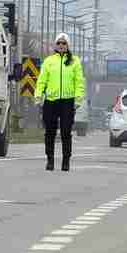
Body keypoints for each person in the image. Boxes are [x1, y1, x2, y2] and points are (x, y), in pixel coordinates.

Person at [34, 32, 86, 171]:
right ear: (55, 45)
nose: (61, 45)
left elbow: (79, 81)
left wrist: (78, 99)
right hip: (51, 101)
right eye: (59, 43)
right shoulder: (49, 61)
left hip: (68, 102)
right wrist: (39, 96)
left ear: (68, 45)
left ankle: (65, 161)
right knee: (49, 132)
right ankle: (50, 160)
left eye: (64, 43)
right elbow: (42, 80)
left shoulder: (75, 61)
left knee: (65, 132)